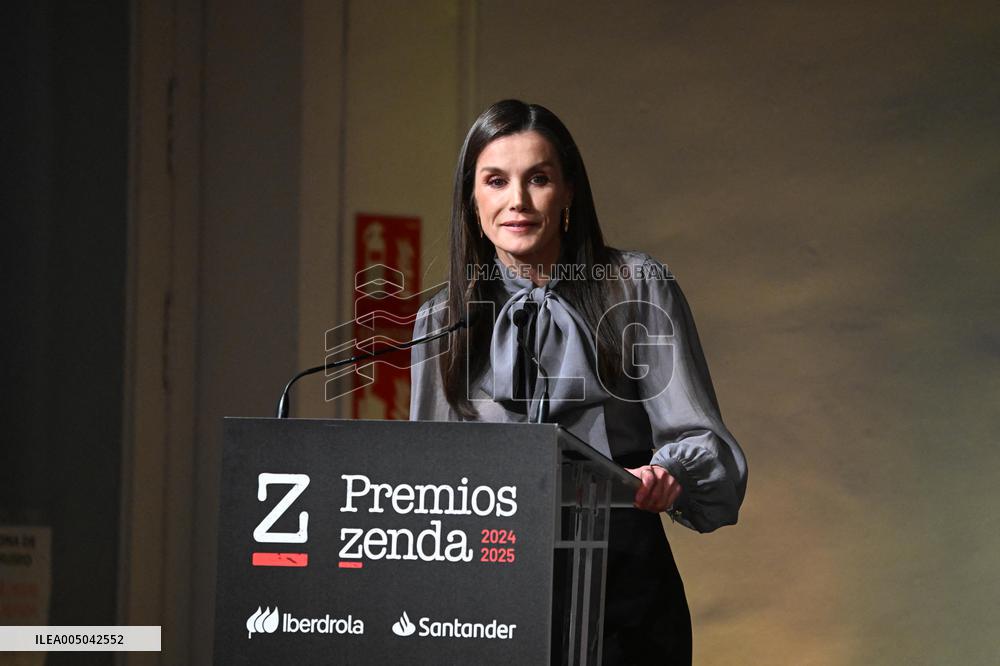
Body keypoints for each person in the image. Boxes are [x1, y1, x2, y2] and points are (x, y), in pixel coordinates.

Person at [409, 99, 747, 665]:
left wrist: (671, 471)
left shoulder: (634, 287)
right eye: (495, 181)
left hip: (622, 592)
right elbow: (427, 485)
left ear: (568, 192)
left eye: (537, 179)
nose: (516, 201)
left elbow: (700, 436)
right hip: (490, 601)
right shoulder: (442, 320)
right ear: (472, 199)